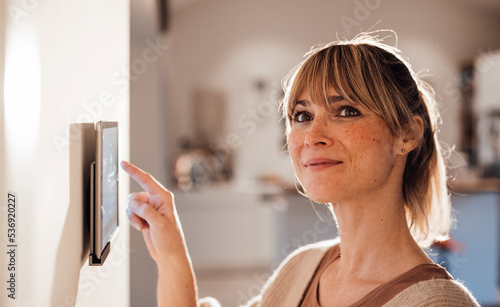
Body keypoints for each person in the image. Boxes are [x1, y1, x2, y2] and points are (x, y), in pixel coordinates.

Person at [122, 32, 480, 306]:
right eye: (302, 116)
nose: (313, 135)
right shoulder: (303, 268)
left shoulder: (436, 303)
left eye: (346, 111)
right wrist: (170, 255)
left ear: (407, 133)